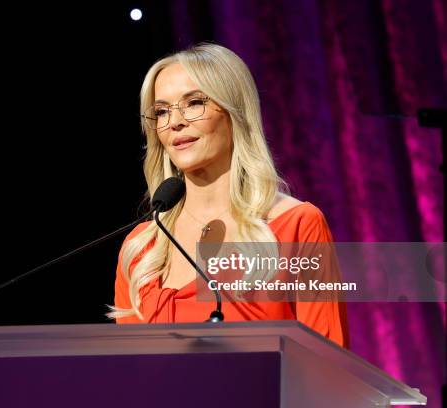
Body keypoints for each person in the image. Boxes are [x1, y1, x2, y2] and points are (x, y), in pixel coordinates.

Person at [108, 43, 349, 348]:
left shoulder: (296, 225)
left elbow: (327, 363)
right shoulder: (141, 249)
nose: (175, 122)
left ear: (235, 112)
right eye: (161, 111)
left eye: (194, 103)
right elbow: (127, 373)